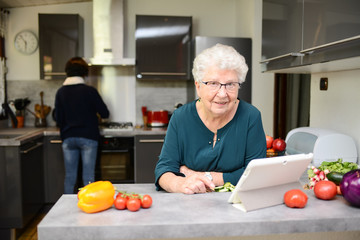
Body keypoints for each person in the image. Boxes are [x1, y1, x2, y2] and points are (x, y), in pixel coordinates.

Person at [154, 44, 266, 194]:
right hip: (189, 204)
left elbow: (256, 174)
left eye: (230, 84)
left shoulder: (251, 116)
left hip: (237, 205)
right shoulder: (181, 117)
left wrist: (202, 176)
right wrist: (180, 183)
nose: (222, 94)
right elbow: (164, 169)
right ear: (198, 86)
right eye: (213, 84)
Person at [55, 57, 110, 194]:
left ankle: (67, 209)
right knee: (88, 178)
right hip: (88, 137)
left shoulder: (61, 92)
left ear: (67, 72)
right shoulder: (89, 91)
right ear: (85, 73)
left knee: (70, 177)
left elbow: (58, 118)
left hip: (68, 137)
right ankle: (89, 209)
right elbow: (105, 113)